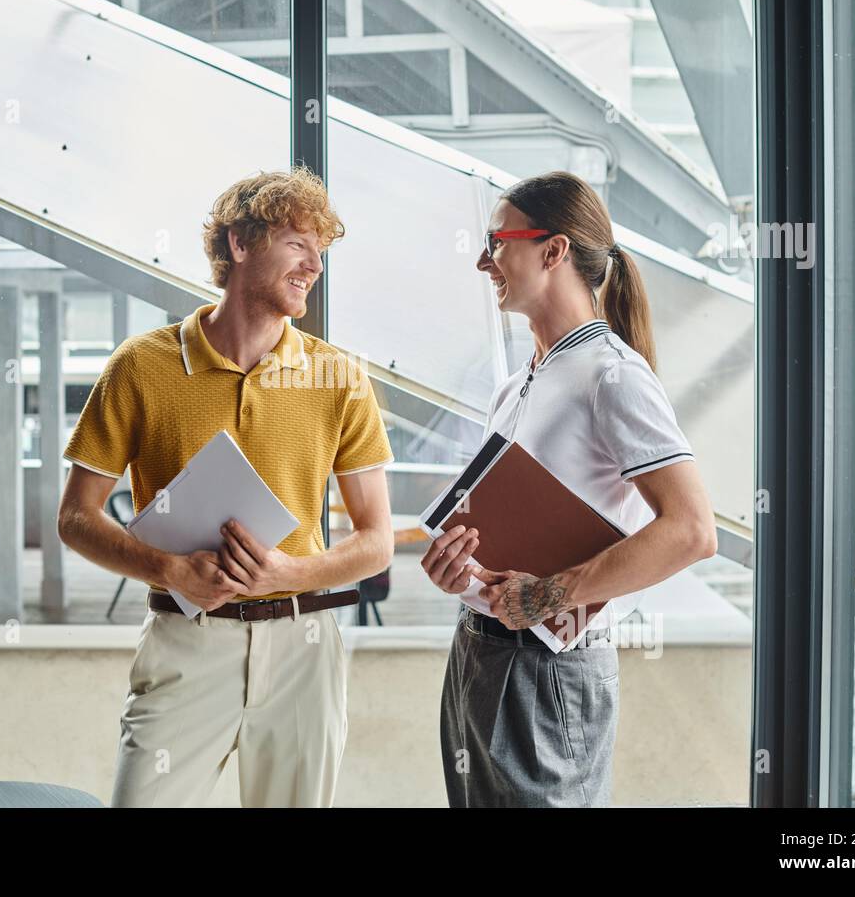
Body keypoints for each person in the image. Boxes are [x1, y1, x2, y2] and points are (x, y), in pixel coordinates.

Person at [57, 166, 394, 807]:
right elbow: (75, 518)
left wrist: (287, 573)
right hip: (186, 641)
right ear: (241, 244)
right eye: (298, 244)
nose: (313, 266)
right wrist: (169, 568)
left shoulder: (340, 378)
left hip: (304, 647)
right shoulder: (140, 367)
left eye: (320, 253)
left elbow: (376, 541)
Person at [423, 170, 717, 807]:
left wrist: (551, 595)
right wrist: (462, 574)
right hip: (479, 656)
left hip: (547, 670)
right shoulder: (516, 384)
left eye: (497, 242)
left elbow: (692, 531)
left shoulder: (615, 376)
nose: (483, 260)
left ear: (553, 251)